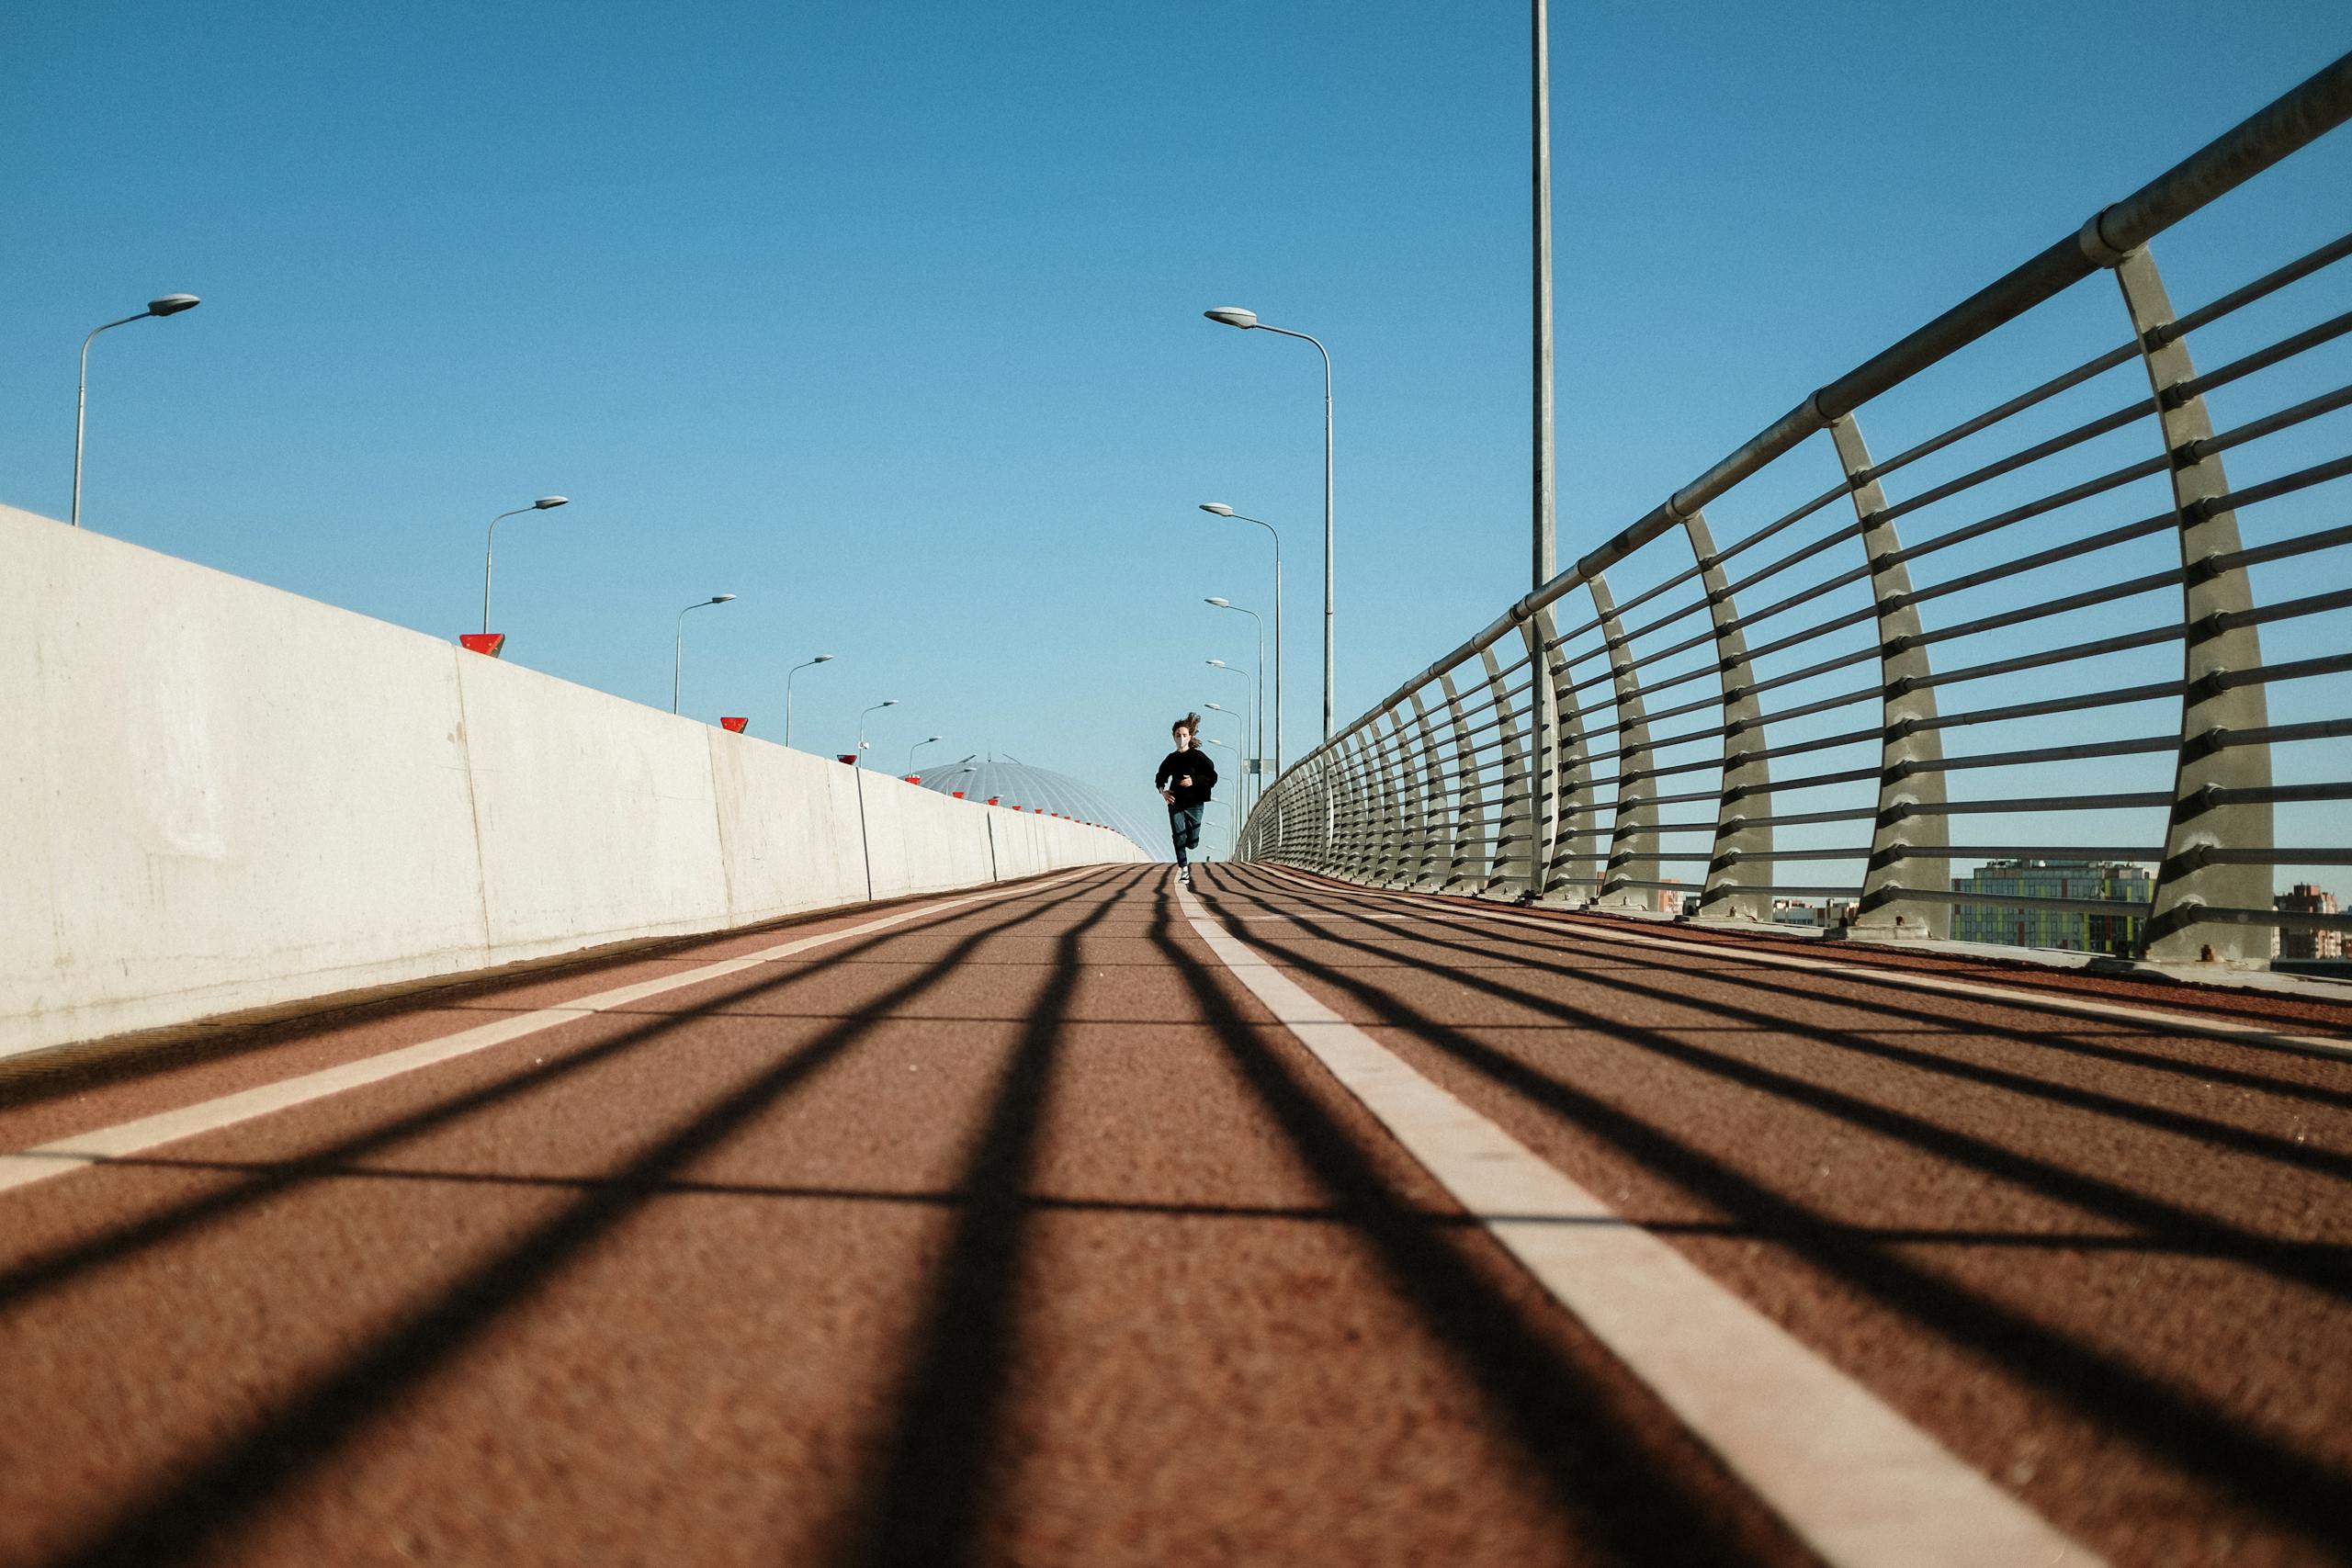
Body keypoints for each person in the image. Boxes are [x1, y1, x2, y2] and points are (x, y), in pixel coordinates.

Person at [1154, 711, 1218, 886]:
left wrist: (1194, 780)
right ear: (1173, 737)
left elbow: (1212, 777)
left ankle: (1191, 844)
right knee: (1178, 836)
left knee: (1192, 842)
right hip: (1176, 802)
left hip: (1195, 803)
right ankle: (1184, 869)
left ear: (1190, 737)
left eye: (1184, 735)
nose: (1181, 738)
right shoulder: (1171, 759)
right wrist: (1163, 791)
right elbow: (1160, 776)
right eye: (1178, 735)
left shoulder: (1198, 757)